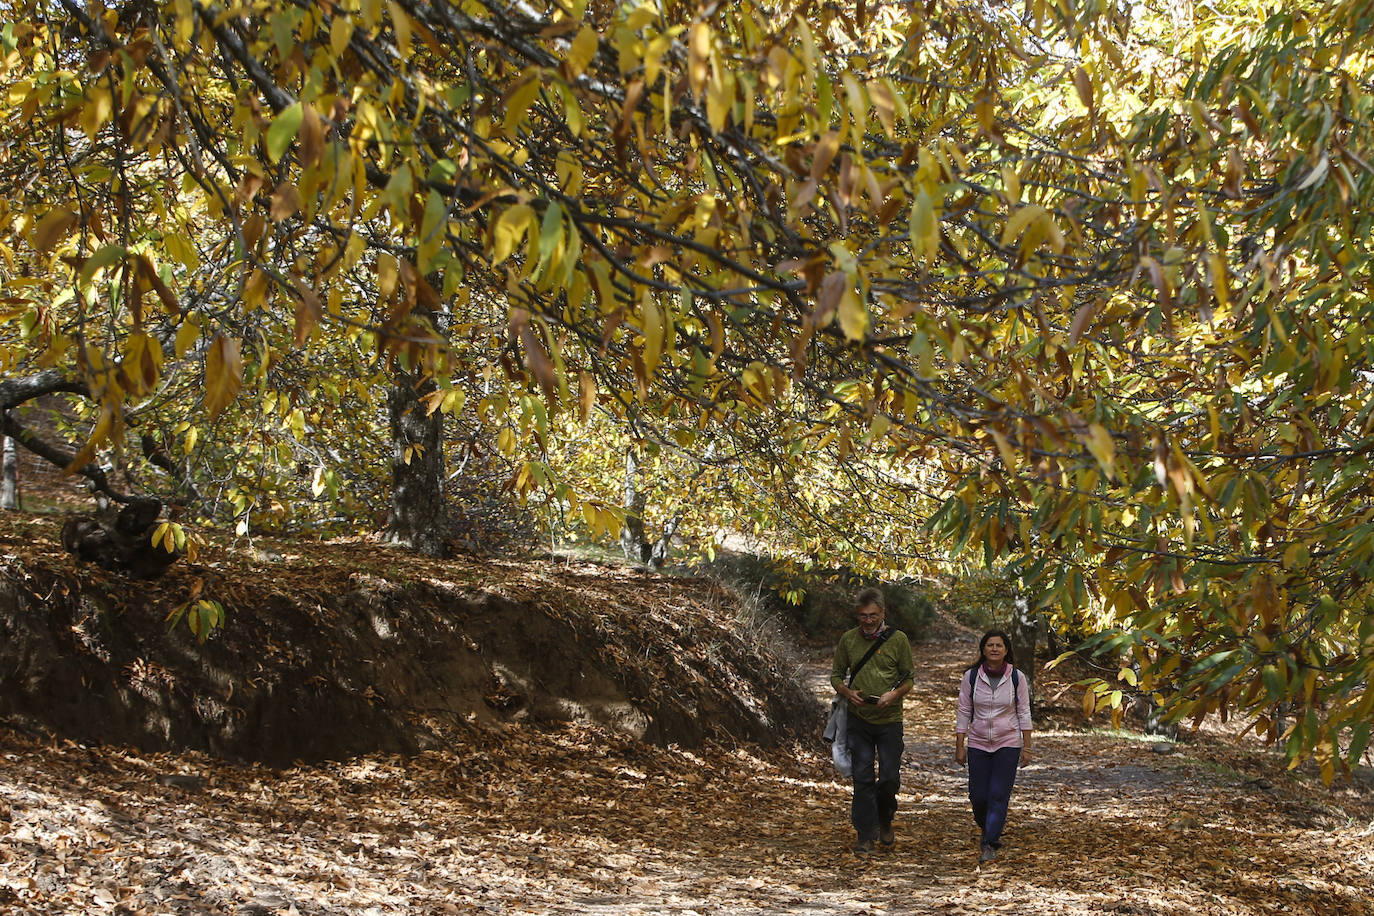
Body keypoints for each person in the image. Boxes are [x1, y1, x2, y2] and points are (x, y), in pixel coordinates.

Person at [830, 588, 915, 855]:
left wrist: (894, 694)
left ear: (883, 613)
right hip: (859, 719)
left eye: (873, 616)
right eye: (863, 616)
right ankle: (865, 835)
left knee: (889, 778)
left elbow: (909, 677)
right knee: (863, 778)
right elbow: (835, 676)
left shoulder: (898, 640)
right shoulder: (848, 640)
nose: (868, 621)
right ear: (857, 615)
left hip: (890, 719)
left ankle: (885, 818)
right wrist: (846, 692)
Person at [954, 629, 1032, 863]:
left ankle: (990, 841)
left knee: (998, 795)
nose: (994, 649)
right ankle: (987, 826)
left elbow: (1024, 712)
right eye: (990, 645)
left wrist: (1027, 746)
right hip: (978, 742)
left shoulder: (1017, 677)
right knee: (978, 796)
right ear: (983, 649)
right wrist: (960, 744)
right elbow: (964, 711)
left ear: (1006, 650)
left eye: (999, 645)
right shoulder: (971, 677)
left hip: (1007, 742)